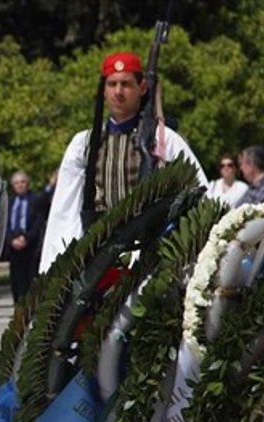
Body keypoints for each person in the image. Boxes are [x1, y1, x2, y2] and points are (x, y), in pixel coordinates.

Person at [40, 51, 207, 272]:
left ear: (142, 88)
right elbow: (65, 211)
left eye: (126, 84)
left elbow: (201, 193)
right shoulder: (83, 144)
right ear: (104, 89)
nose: (118, 92)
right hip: (98, 259)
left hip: (153, 257)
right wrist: (59, 267)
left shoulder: (163, 140)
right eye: (112, 84)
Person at [4, 171, 48, 303]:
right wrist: (11, 240)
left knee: (31, 280)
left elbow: (39, 222)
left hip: (30, 245)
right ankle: (19, 306)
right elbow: (4, 224)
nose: (20, 185)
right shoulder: (8, 202)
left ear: (28, 184)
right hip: (14, 247)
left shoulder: (36, 200)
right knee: (17, 282)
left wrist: (26, 238)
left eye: (22, 182)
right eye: (16, 183)